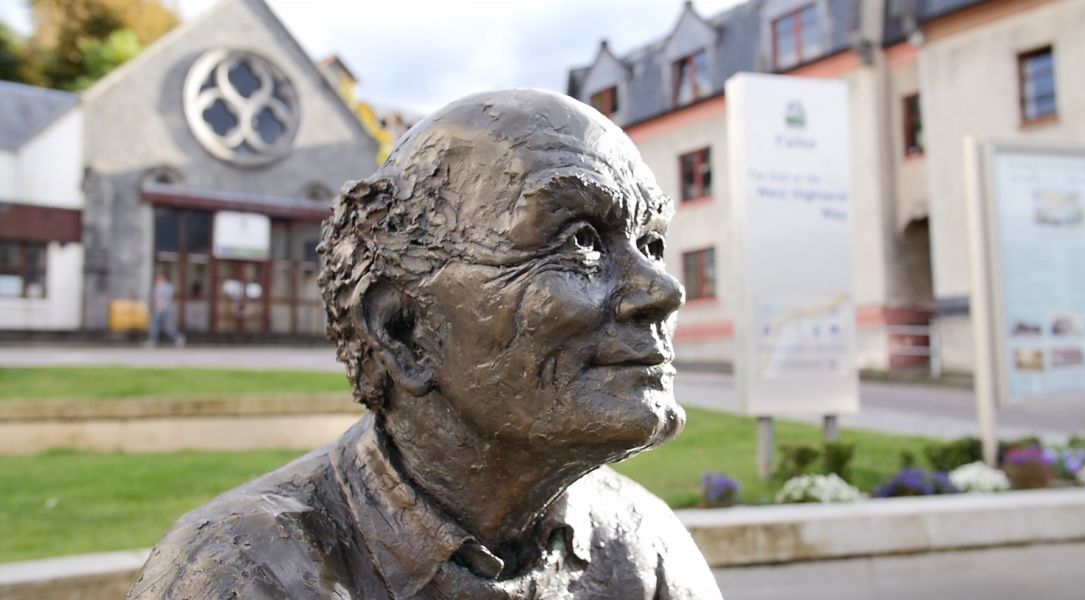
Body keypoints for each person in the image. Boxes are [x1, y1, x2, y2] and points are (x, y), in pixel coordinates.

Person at [126, 90, 722, 599]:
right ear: (402, 328)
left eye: (651, 243)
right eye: (580, 240)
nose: (663, 290)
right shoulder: (245, 573)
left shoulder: (645, 548)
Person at [146, 272, 185, 348]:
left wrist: (162, 305)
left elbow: (168, 297)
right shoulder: (156, 287)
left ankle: (178, 338)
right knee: (154, 325)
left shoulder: (167, 287)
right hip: (157, 310)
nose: (157, 280)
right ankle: (152, 341)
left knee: (167, 326)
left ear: (162, 278)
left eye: (158, 278)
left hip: (165, 310)